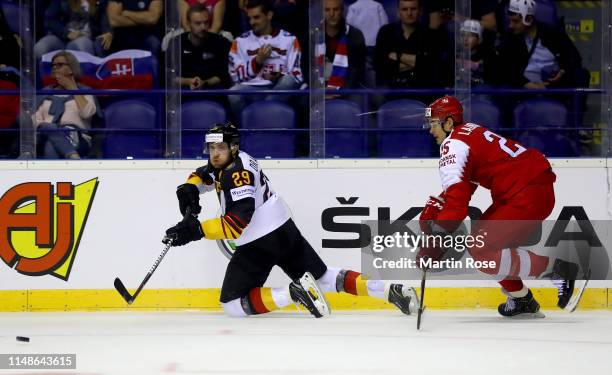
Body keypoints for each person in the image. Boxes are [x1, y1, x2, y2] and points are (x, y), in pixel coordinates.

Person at [164, 123, 418, 318]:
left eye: (220, 148)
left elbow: (234, 225)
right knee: (324, 279)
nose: (214, 154)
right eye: (211, 148)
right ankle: (390, 291)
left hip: (259, 240)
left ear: (233, 147)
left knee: (232, 304)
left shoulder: (237, 174)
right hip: (283, 229)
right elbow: (205, 173)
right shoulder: (236, 159)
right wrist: (189, 187)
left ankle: (293, 292)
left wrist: (194, 230)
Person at [418, 96, 584, 317]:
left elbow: (457, 202)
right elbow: (464, 186)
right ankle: (521, 300)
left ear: (449, 122)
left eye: (434, 123)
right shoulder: (469, 131)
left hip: (525, 194)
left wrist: (435, 239)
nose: (431, 130)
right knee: (482, 244)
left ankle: (559, 270)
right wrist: (438, 204)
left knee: (481, 249)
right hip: (529, 189)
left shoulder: (452, 144)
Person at [227, 0, 303, 118]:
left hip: (279, 88)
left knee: (288, 80)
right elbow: (234, 76)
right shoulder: (240, 41)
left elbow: (297, 75)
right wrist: (257, 62)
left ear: (269, 15)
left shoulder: (289, 39)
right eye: (249, 18)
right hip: (253, 89)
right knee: (233, 93)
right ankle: (249, 127)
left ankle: (260, 117)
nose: (252, 22)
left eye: (256, 17)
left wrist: (278, 75)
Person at [497, 0, 586, 89]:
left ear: (529, 19)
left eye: (515, 21)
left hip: (553, 85)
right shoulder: (510, 37)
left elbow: (574, 57)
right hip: (523, 87)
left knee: (581, 75)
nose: (510, 25)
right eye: (510, 21)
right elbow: (505, 68)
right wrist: (527, 84)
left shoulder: (553, 33)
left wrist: (563, 70)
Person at [34, 51, 97, 159]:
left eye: (60, 65)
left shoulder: (84, 91)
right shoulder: (45, 92)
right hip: (45, 135)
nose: (54, 68)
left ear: (72, 68)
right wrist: (50, 128)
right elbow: (34, 119)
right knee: (48, 131)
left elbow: (86, 114)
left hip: (78, 136)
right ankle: (73, 157)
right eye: (53, 65)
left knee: (50, 146)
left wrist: (72, 88)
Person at [373, 0, 445, 90]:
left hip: (421, 90)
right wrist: (416, 62)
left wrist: (398, 57)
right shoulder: (385, 32)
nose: (409, 13)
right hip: (390, 90)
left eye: (413, 9)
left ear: (420, 11)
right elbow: (379, 65)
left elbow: (431, 66)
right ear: (398, 12)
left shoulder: (430, 35)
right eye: (404, 9)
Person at [171, 4, 231, 90]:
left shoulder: (221, 42)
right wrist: (188, 81)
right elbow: (169, 76)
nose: (203, 27)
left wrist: (205, 83)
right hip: (183, 94)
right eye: (198, 23)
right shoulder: (176, 43)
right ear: (188, 23)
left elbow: (225, 75)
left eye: (206, 22)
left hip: (213, 93)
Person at [34, 0, 111, 60]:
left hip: (85, 38)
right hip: (61, 37)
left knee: (82, 46)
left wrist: (108, 33)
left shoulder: (99, 2)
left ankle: (83, 79)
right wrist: (67, 33)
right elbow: (50, 20)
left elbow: (105, 24)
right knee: (40, 48)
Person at [324, 0, 366, 91]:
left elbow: (357, 69)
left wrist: (341, 90)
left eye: (336, 9)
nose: (331, 14)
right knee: (303, 102)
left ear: (342, 11)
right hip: (319, 89)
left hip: (348, 87)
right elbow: (307, 67)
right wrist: (320, 90)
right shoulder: (312, 35)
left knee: (359, 100)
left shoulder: (355, 35)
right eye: (327, 10)